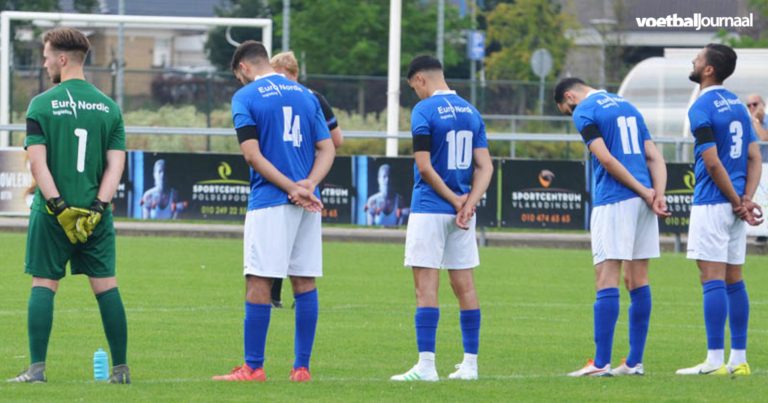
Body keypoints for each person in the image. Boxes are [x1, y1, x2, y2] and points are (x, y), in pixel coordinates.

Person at [8, 27, 129, 384]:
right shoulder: (109, 108)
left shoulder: (41, 105)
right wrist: (95, 208)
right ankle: (121, 370)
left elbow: (37, 164)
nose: (44, 64)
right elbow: (116, 166)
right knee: (106, 286)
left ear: (62, 59)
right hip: (96, 216)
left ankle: (36, 370)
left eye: (46, 57)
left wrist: (59, 206)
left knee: (44, 284)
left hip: (51, 215)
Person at [212, 40, 335, 382]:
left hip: (270, 201)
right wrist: (307, 184)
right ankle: (302, 368)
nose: (241, 82)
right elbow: (328, 148)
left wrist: (291, 187)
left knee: (258, 279)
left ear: (245, 68)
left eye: (239, 76)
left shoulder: (246, 97)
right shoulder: (305, 95)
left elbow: (252, 155)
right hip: (308, 203)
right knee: (304, 279)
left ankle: (253, 367)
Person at [554, 77, 670, 377]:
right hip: (644, 199)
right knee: (638, 279)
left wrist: (646, 193)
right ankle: (633, 362)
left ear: (569, 96)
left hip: (615, 199)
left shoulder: (585, 110)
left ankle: (601, 362)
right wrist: (657, 193)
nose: (571, 116)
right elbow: (655, 156)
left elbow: (605, 158)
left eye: (567, 110)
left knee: (606, 277)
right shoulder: (628, 106)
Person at [390, 55, 493, 382]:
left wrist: (454, 199)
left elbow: (424, 166)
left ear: (419, 79)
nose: (415, 94)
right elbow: (485, 166)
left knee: (425, 288)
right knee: (465, 286)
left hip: (431, 207)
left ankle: (426, 365)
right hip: (463, 214)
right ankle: (470, 365)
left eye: (413, 88)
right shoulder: (470, 111)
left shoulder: (424, 111)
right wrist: (468, 204)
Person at [676, 44, 763, 376]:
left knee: (710, 278)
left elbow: (711, 162)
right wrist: (745, 198)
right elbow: (755, 156)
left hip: (715, 203)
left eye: (698, 57)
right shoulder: (740, 106)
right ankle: (738, 359)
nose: (694, 60)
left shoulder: (701, 106)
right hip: (735, 207)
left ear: (708, 69)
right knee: (734, 279)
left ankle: (714, 360)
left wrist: (734, 199)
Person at [269, 50, 344, 308]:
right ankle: (292, 297)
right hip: (308, 175)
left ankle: (277, 295)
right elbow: (335, 141)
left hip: (289, 175)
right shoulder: (314, 99)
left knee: (281, 237)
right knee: (295, 239)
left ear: (294, 75)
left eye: (282, 76)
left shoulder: (277, 98)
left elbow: (336, 140)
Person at [745, 93, 768, 162]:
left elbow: (765, 138)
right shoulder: (746, 122)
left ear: (763, 105)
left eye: (755, 104)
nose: (752, 107)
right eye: (749, 105)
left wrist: (755, 120)